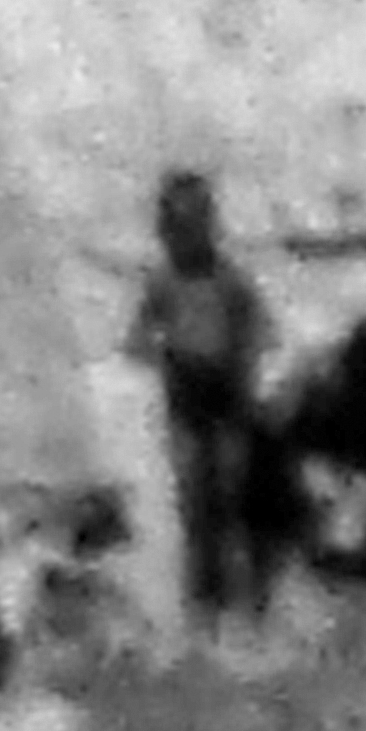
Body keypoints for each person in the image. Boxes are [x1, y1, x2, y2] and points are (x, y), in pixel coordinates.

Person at [123, 169, 277, 631]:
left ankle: (241, 594)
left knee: (231, 494)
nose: (184, 238)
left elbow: (262, 330)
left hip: (228, 398)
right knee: (195, 500)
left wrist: (241, 357)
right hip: (187, 399)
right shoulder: (164, 283)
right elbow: (136, 340)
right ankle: (203, 599)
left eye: (194, 225)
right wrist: (162, 353)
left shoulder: (231, 281)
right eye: (176, 227)